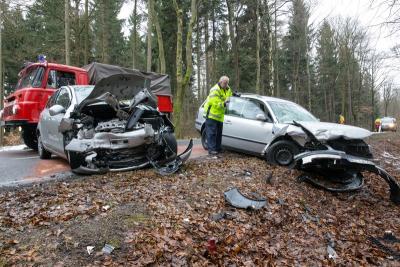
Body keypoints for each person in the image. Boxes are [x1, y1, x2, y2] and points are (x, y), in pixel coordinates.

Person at [203, 76, 233, 155]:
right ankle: (211, 150)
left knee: (219, 133)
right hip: (211, 115)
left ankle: (218, 148)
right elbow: (215, 103)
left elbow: (229, 95)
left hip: (219, 116)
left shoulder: (227, 89)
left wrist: (233, 95)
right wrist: (224, 103)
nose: (226, 85)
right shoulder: (215, 90)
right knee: (211, 133)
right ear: (220, 82)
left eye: (227, 83)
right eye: (225, 83)